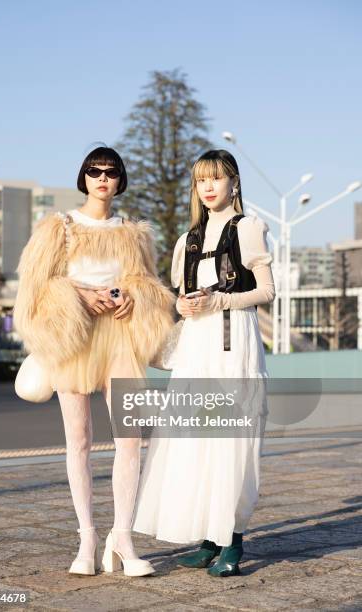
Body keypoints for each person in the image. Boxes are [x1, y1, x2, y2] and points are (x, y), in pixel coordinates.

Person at [13, 146, 174, 577]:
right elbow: (36, 285)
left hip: (121, 338)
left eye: (111, 171)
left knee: (130, 439)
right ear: (83, 177)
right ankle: (87, 537)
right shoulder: (59, 227)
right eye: (94, 170)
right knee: (78, 441)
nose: (102, 177)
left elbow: (147, 283)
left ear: (120, 180)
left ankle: (122, 538)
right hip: (75, 338)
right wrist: (81, 295)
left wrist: (129, 297)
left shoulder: (134, 233)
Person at [132, 149, 275, 577]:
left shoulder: (249, 228)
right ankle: (210, 541)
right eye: (200, 181)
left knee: (230, 441)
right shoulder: (187, 239)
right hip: (198, 344)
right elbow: (182, 296)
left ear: (234, 182)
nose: (208, 187)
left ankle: (232, 541)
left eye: (216, 178)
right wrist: (186, 305)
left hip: (234, 343)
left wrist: (218, 301)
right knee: (196, 441)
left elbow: (266, 291)